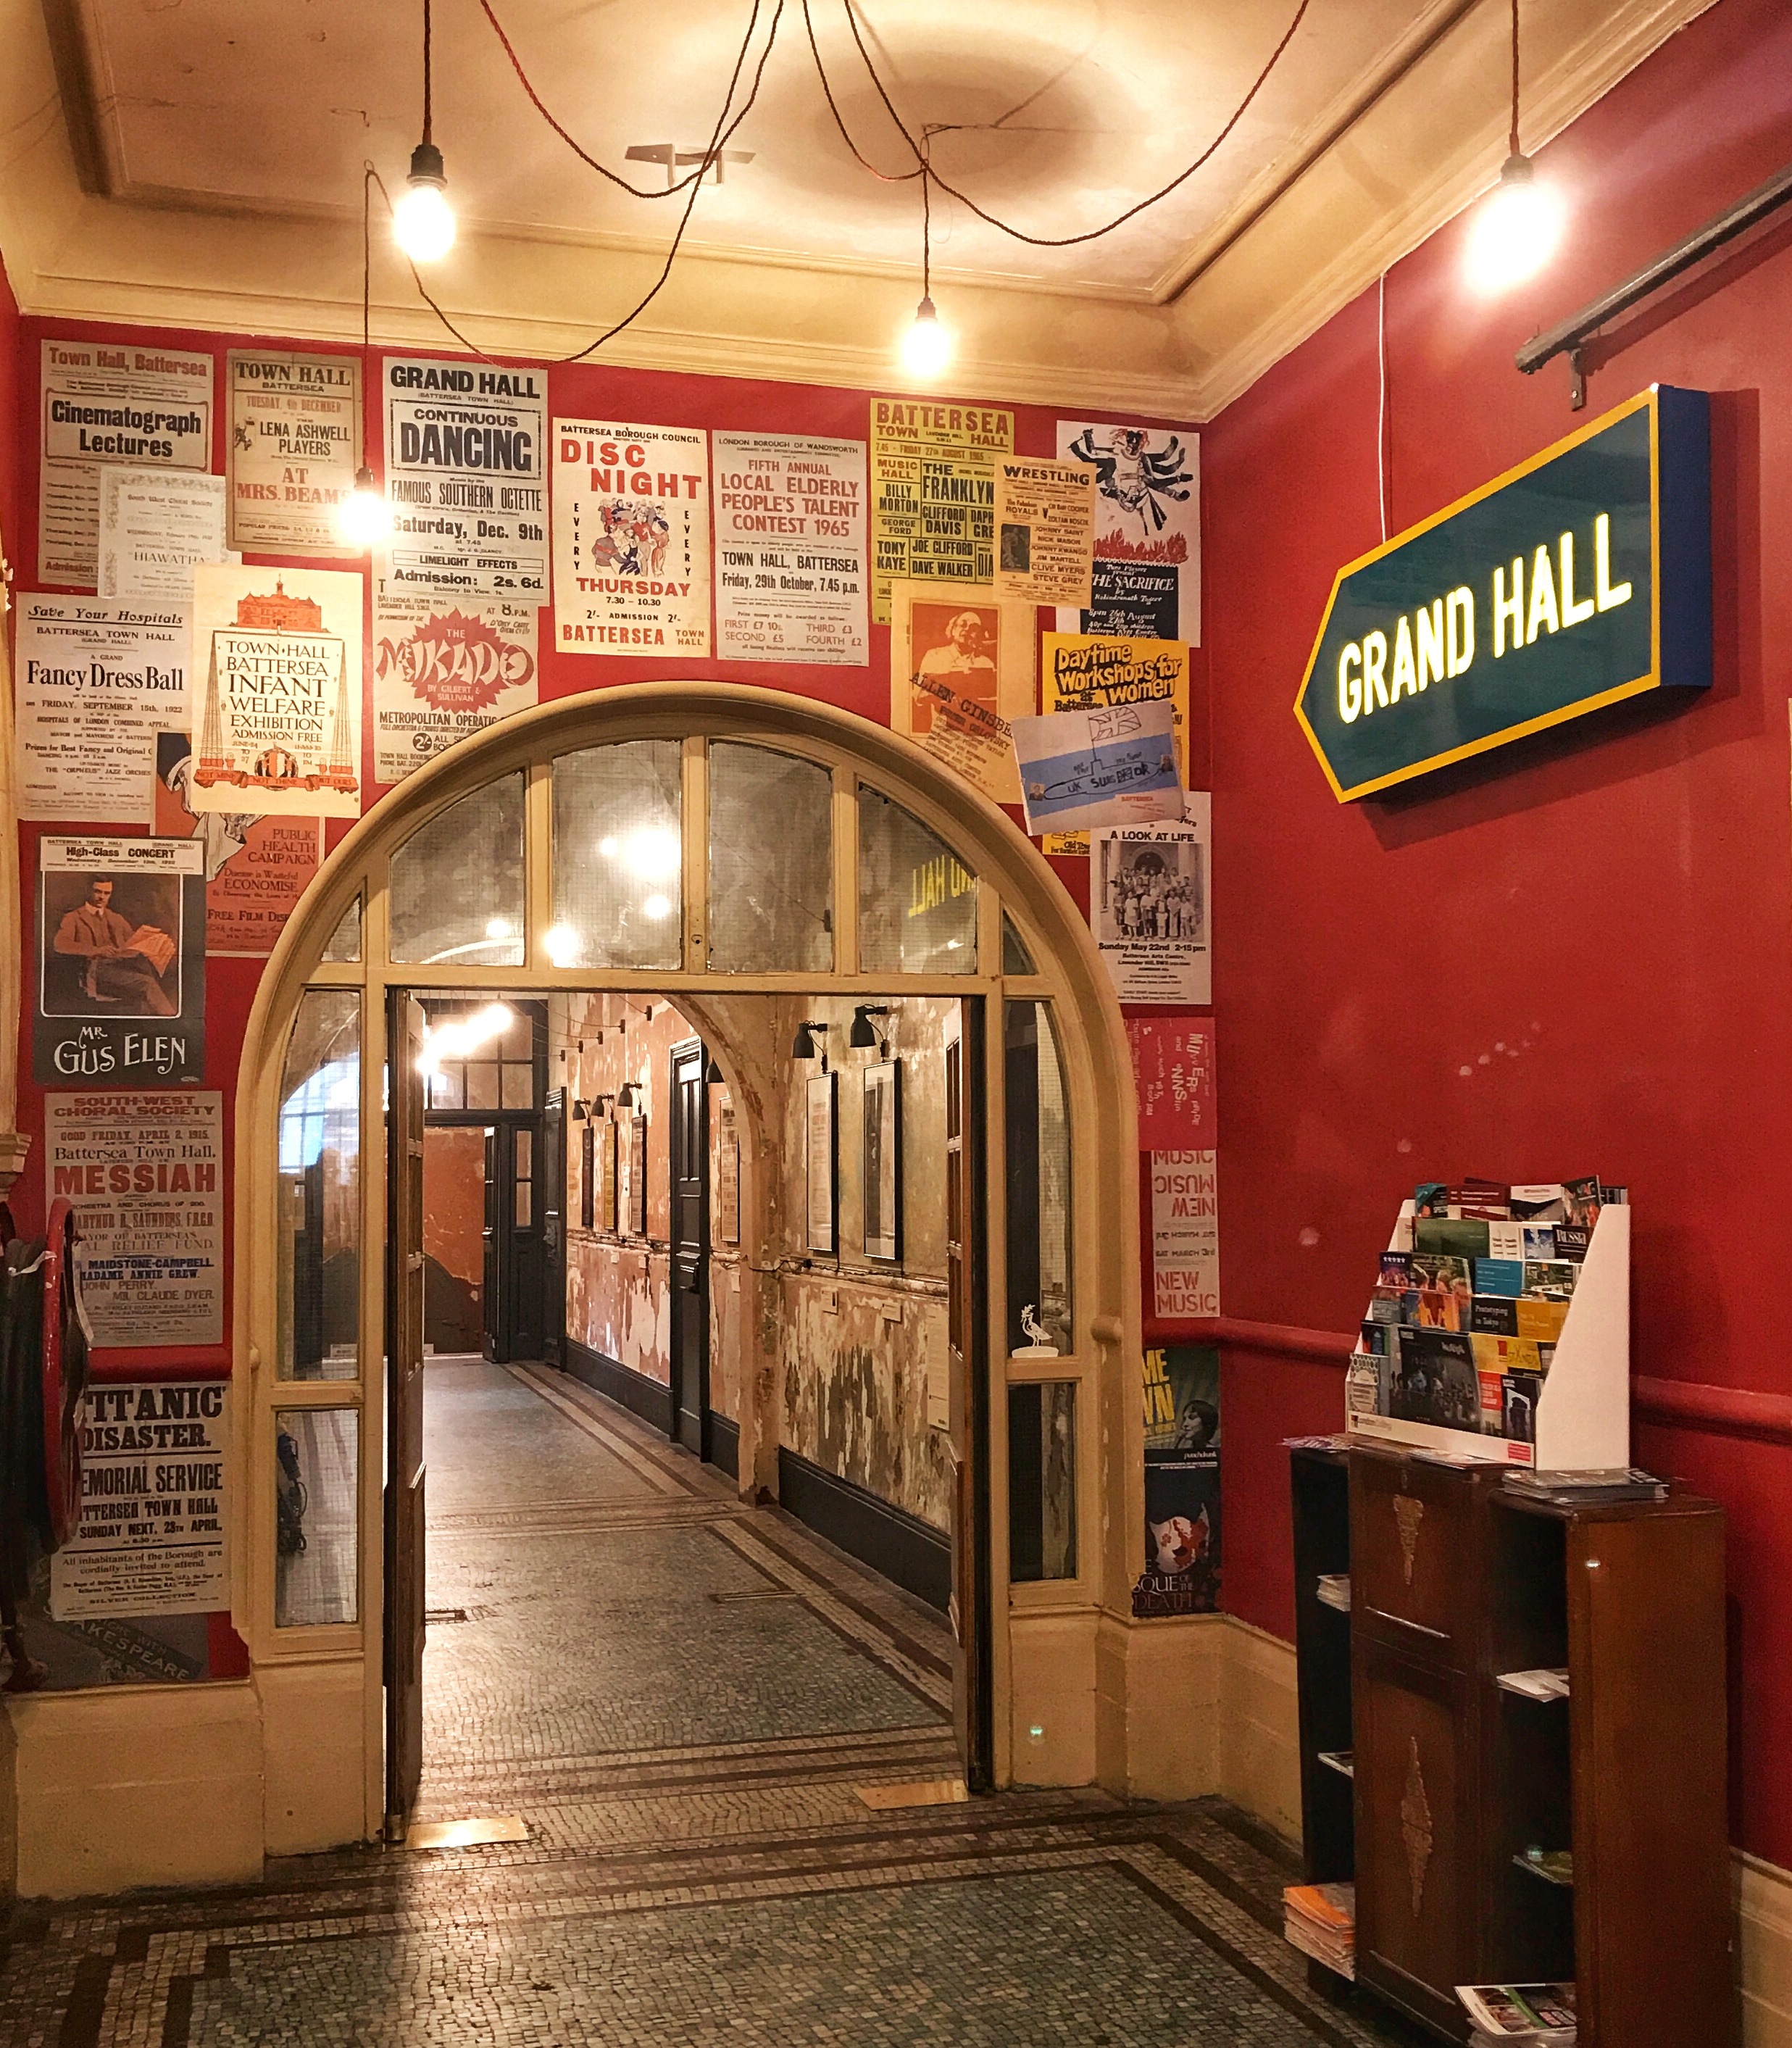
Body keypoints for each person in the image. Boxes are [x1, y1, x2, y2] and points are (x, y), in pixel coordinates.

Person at [52, 877, 176, 1015]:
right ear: (88, 891)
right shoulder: (73, 918)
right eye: (98, 892)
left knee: (149, 973)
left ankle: (161, 1020)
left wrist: (149, 943)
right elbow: (60, 944)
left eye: (107, 893)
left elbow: (131, 942)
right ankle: (171, 1019)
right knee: (147, 984)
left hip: (119, 967)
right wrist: (96, 950)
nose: (102, 897)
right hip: (95, 971)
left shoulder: (116, 918)